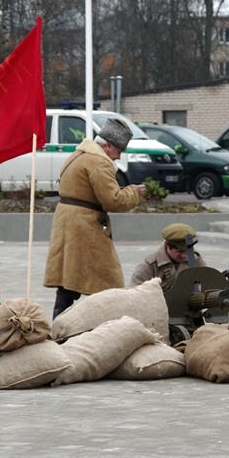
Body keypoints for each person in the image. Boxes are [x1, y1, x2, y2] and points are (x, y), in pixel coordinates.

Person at [44, 118, 146, 319]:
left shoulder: (78, 155)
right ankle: (106, 324)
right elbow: (113, 201)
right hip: (84, 227)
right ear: (108, 145)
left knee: (70, 280)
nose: (118, 157)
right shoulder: (99, 162)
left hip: (69, 222)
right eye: (118, 151)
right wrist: (133, 192)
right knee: (108, 280)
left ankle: (59, 325)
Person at [130, 223, 207, 291]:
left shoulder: (195, 259)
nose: (184, 255)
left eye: (187, 252)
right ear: (167, 245)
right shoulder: (150, 265)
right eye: (179, 251)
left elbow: (207, 281)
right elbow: (135, 293)